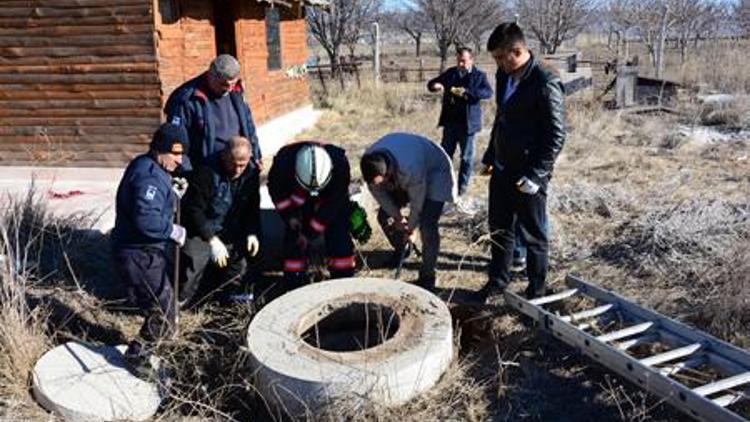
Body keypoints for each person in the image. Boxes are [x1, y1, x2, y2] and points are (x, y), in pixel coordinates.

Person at [479, 22, 566, 300]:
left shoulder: (545, 81)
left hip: (527, 174)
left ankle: (536, 292)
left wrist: (537, 175)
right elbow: (501, 118)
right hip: (503, 169)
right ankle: (497, 282)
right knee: (500, 229)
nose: (497, 64)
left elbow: (556, 135)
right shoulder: (505, 76)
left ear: (516, 51)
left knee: (533, 236)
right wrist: (492, 154)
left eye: (500, 58)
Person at [111, 122, 191, 372]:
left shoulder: (150, 167)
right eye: (175, 155)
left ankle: (150, 340)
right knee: (164, 313)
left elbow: (154, 196)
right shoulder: (148, 177)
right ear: (159, 150)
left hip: (142, 251)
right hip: (138, 253)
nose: (179, 162)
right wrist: (171, 230)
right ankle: (137, 356)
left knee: (163, 302)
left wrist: (170, 190)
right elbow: (145, 218)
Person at [360, 133, 456, 290]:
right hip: (403, 175)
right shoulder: (370, 167)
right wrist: (398, 218)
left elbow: (417, 204)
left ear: (387, 172)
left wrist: (411, 228)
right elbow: (381, 196)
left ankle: (427, 277)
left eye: (381, 182)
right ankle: (402, 249)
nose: (378, 185)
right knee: (385, 216)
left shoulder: (411, 166)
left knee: (427, 225)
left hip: (435, 171)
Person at [179, 136, 261, 306]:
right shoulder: (206, 172)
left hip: (229, 228)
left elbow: (252, 208)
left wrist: (252, 232)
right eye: (233, 163)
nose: (238, 169)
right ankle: (182, 302)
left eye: (242, 164)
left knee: (242, 259)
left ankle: (232, 298)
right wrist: (212, 239)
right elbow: (194, 211)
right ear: (224, 156)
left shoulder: (251, 174)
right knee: (192, 264)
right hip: (200, 230)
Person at [267, 141, 354, 289]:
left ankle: (343, 280)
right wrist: (290, 217)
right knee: (294, 238)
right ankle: (294, 282)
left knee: (338, 233)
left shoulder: (340, 164)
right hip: (297, 195)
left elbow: (332, 207)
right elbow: (278, 194)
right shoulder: (282, 165)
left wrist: (309, 233)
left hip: (330, 196)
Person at [164, 54, 261, 167]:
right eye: (224, 84)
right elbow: (176, 139)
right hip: (207, 169)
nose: (228, 89)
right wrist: (185, 169)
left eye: (232, 84)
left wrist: (256, 155)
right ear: (211, 75)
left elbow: (249, 127)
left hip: (239, 165)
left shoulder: (236, 91)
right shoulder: (187, 99)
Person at [427, 47, 493, 197]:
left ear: (471, 60)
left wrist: (467, 93)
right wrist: (435, 86)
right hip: (450, 123)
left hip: (468, 125)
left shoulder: (479, 76)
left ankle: (462, 188)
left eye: (463, 61)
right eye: (458, 61)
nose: (460, 64)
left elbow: (487, 92)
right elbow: (432, 83)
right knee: (445, 156)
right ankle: (445, 185)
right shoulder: (451, 73)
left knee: (466, 158)